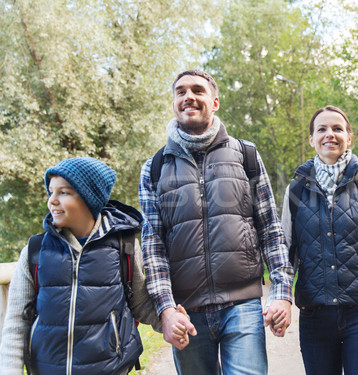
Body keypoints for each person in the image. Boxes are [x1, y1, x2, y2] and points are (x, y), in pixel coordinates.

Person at [138, 69, 294, 375]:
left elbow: (270, 229)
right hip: (186, 311)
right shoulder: (154, 168)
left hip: (243, 305)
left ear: (215, 101)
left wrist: (283, 292)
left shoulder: (246, 155)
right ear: (174, 104)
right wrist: (166, 310)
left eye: (197, 90)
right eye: (180, 92)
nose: (188, 97)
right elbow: (153, 245)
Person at [0, 157, 160, 375]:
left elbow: (141, 304)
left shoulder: (126, 246)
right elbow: (16, 323)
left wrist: (172, 322)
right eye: (51, 191)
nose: (52, 201)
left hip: (109, 368)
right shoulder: (35, 250)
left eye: (63, 192)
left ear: (89, 198)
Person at [280, 105, 358, 375]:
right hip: (315, 316)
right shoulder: (296, 189)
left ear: (349, 137)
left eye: (337, 128)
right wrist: (281, 300)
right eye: (321, 129)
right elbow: (286, 252)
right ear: (311, 139)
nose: (329, 134)